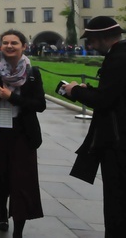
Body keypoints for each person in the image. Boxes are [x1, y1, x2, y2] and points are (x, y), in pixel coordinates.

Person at [0, 30, 45, 237]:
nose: (10, 46)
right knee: (1, 177)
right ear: (0, 46)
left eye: (14, 43)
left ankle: (18, 231)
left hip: (23, 134)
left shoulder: (32, 73)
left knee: (22, 183)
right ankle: (2, 212)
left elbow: (40, 105)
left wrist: (12, 97)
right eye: (5, 43)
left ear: (23, 46)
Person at [63, 16, 126, 237]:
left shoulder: (118, 58)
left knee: (116, 199)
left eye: (91, 40)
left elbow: (104, 101)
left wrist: (75, 91)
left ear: (102, 38)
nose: (90, 45)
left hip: (117, 142)